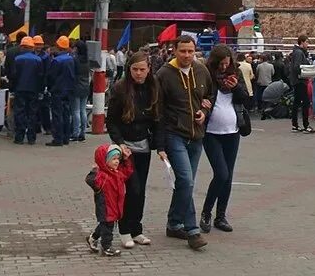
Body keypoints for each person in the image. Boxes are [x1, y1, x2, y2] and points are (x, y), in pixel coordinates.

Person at [156, 35, 214, 250]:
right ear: (174, 50)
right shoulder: (164, 74)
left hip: (196, 135)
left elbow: (209, 95)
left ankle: (173, 223)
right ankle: (192, 230)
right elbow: (158, 111)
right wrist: (160, 145)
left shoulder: (201, 70)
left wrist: (204, 110)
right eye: (183, 51)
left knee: (184, 183)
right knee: (187, 181)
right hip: (174, 134)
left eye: (190, 51)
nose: (187, 55)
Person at [106, 51, 166, 248]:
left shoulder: (153, 88)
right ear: (129, 69)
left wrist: (160, 147)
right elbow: (112, 121)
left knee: (140, 192)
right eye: (135, 69)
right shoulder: (120, 89)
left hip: (144, 147)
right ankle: (124, 230)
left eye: (142, 69)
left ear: (149, 70)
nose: (139, 73)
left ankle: (136, 229)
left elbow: (158, 120)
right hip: (126, 149)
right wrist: (120, 143)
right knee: (132, 189)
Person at [200, 45, 249, 235]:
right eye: (220, 64)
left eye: (226, 63)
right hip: (211, 132)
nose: (223, 67)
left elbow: (247, 99)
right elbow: (200, 97)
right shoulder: (206, 75)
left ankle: (220, 216)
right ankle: (206, 212)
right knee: (221, 173)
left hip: (232, 131)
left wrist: (235, 87)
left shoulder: (235, 73)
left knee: (228, 175)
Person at [86, 145, 134, 256]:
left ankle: (92, 238)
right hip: (105, 207)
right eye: (113, 159)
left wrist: (126, 160)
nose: (117, 161)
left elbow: (127, 172)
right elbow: (91, 180)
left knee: (104, 225)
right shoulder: (102, 176)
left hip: (115, 206)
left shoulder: (117, 173)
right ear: (105, 160)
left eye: (118, 159)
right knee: (107, 228)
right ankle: (106, 246)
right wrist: (94, 171)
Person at [9, 37, 44, 145]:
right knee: (32, 113)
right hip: (33, 90)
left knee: (20, 112)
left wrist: (12, 88)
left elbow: (14, 75)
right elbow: (41, 76)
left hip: (20, 89)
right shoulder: (38, 60)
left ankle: (19, 137)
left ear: (23, 47)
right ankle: (31, 138)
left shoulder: (18, 59)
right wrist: (40, 90)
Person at [46, 36, 76, 147]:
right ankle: (66, 137)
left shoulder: (56, 60)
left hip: (57, 90)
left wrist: (50, 88)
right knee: (66, 114)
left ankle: (58, 138)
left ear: (58, 46)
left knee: (57, 115)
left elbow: (51, 76)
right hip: (68, 90)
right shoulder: (71, 59)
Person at [288, 35, 315, 133]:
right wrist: (305, 72)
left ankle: (295, 125)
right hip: (300, 81)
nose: (307, 44)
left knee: (296, 102)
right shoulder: (299, 53)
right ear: (302, 42)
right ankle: (306, 125)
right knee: (305, 102)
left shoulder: (297, 52)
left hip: (297, 81)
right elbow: (297, 67)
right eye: (307, 42)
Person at [72, 40, 92, 142]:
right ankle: (82, 133)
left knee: (76, 110)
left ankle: (75, 133)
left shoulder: (75, 59)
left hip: (76, 86)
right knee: (83, 110)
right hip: (85, 87)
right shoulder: (87, 60)